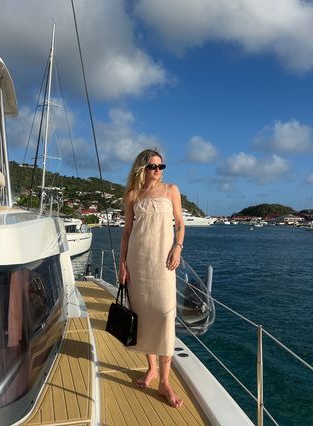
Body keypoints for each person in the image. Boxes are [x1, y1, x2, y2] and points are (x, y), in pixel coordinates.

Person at [118, 149, 185, 408]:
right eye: (153, 167)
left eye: (161, 166)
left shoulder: (171, 190)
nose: (158, 171)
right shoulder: (133, 195)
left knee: (166, 317)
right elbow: (126, 233)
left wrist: (178, 247)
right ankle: (152, 368)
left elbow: (179, 223)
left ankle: (164, 382)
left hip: (164, 264)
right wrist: (122, 264)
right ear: (142, 168)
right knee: (143, 316)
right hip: (138, 263)